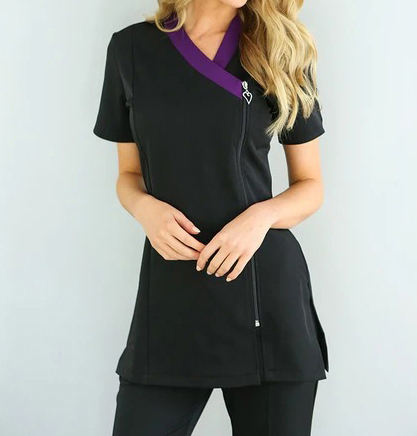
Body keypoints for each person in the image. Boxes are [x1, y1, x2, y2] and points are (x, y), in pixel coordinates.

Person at [93, 0, 329, 434]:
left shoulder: (279, 49)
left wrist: (259, 218)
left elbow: (310, 185)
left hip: (265, 302)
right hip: (171, 303)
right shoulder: (131, 50)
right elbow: (128, 175)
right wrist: (145, 208)